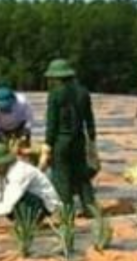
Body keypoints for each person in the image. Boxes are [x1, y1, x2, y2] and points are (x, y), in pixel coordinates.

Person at [40, 58, 99, 217]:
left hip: (61, 141)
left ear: (56, 77)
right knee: (82, 176)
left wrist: (48, 143)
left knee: (62, 177)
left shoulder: (55, 94)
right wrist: (92, 139)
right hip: (79, 140)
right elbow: (89, 119)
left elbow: (52, 123)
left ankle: (67, 212)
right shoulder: (83, 92)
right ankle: (90, 208)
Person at [0, 142, 61, 223]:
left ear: (3, 162)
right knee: (2, 208)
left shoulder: (19, 172)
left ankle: (29, 223)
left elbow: (8, 205)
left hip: (46, 205)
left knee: (18, 203)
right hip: (24, 201)